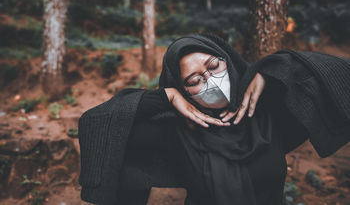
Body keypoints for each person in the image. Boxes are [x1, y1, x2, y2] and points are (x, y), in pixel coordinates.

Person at [78, 33, 350, 205]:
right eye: (194, 80)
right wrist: (167, 97)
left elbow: (339, 77)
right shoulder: (176, 132)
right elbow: (96, 122)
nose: (210, 80)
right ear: (185, 91)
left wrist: (272, 71)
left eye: (213, 66)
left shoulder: (270, 114)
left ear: (227, 60)